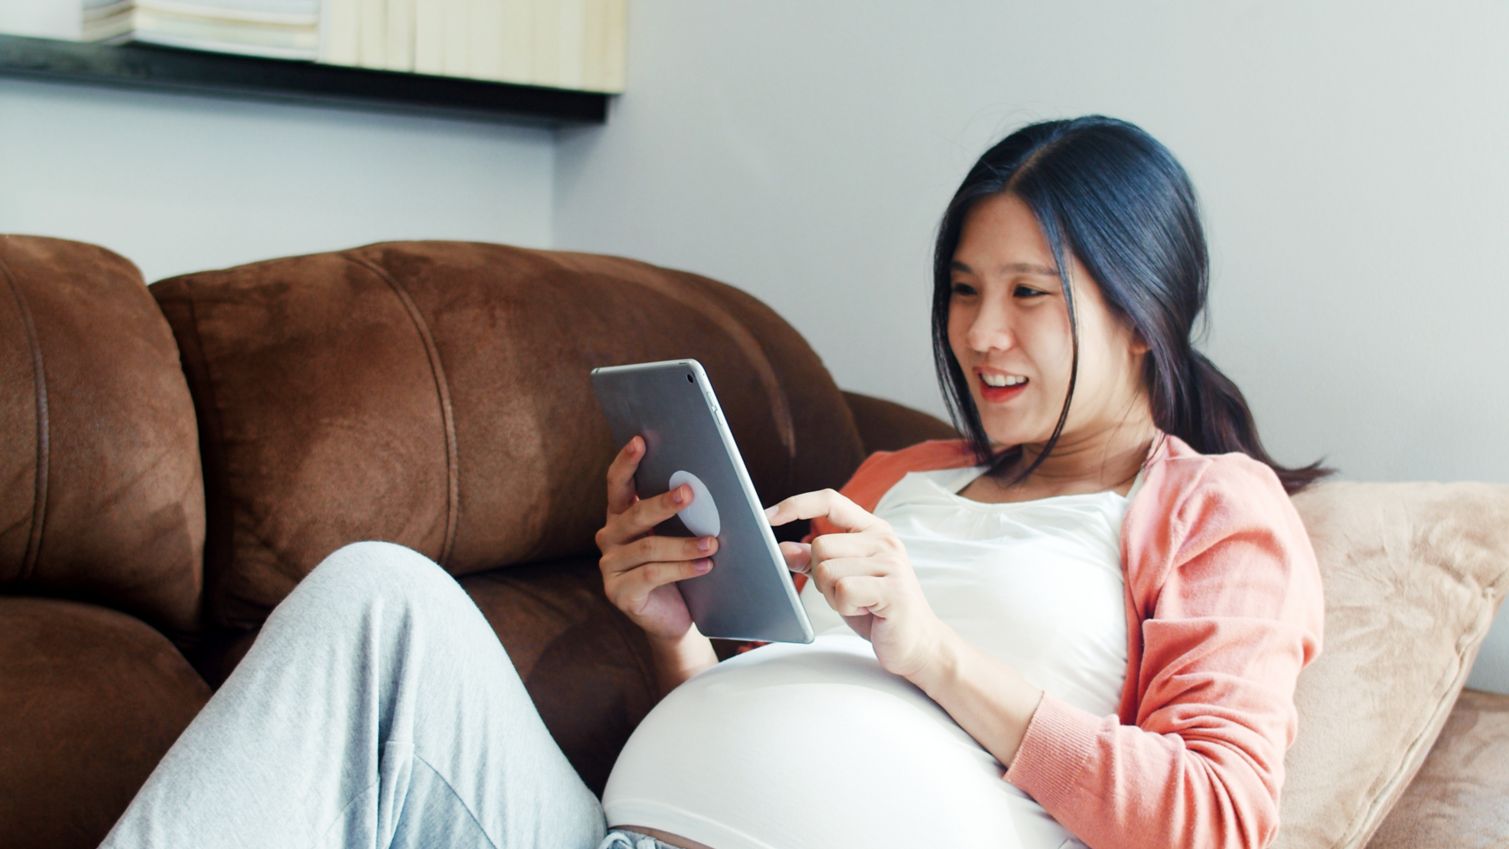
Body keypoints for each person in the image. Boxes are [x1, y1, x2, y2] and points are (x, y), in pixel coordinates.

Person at [98, 115, 1328, 849]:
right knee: (378, 594)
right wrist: (670, 639)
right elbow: (759, 712)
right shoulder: (902, 476)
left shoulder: (1213, 508)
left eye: (1030, 294)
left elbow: (1217, 817)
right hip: (616, 831)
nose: (982, 335)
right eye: (963, 287)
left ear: (1141, 312)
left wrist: (932, 649)